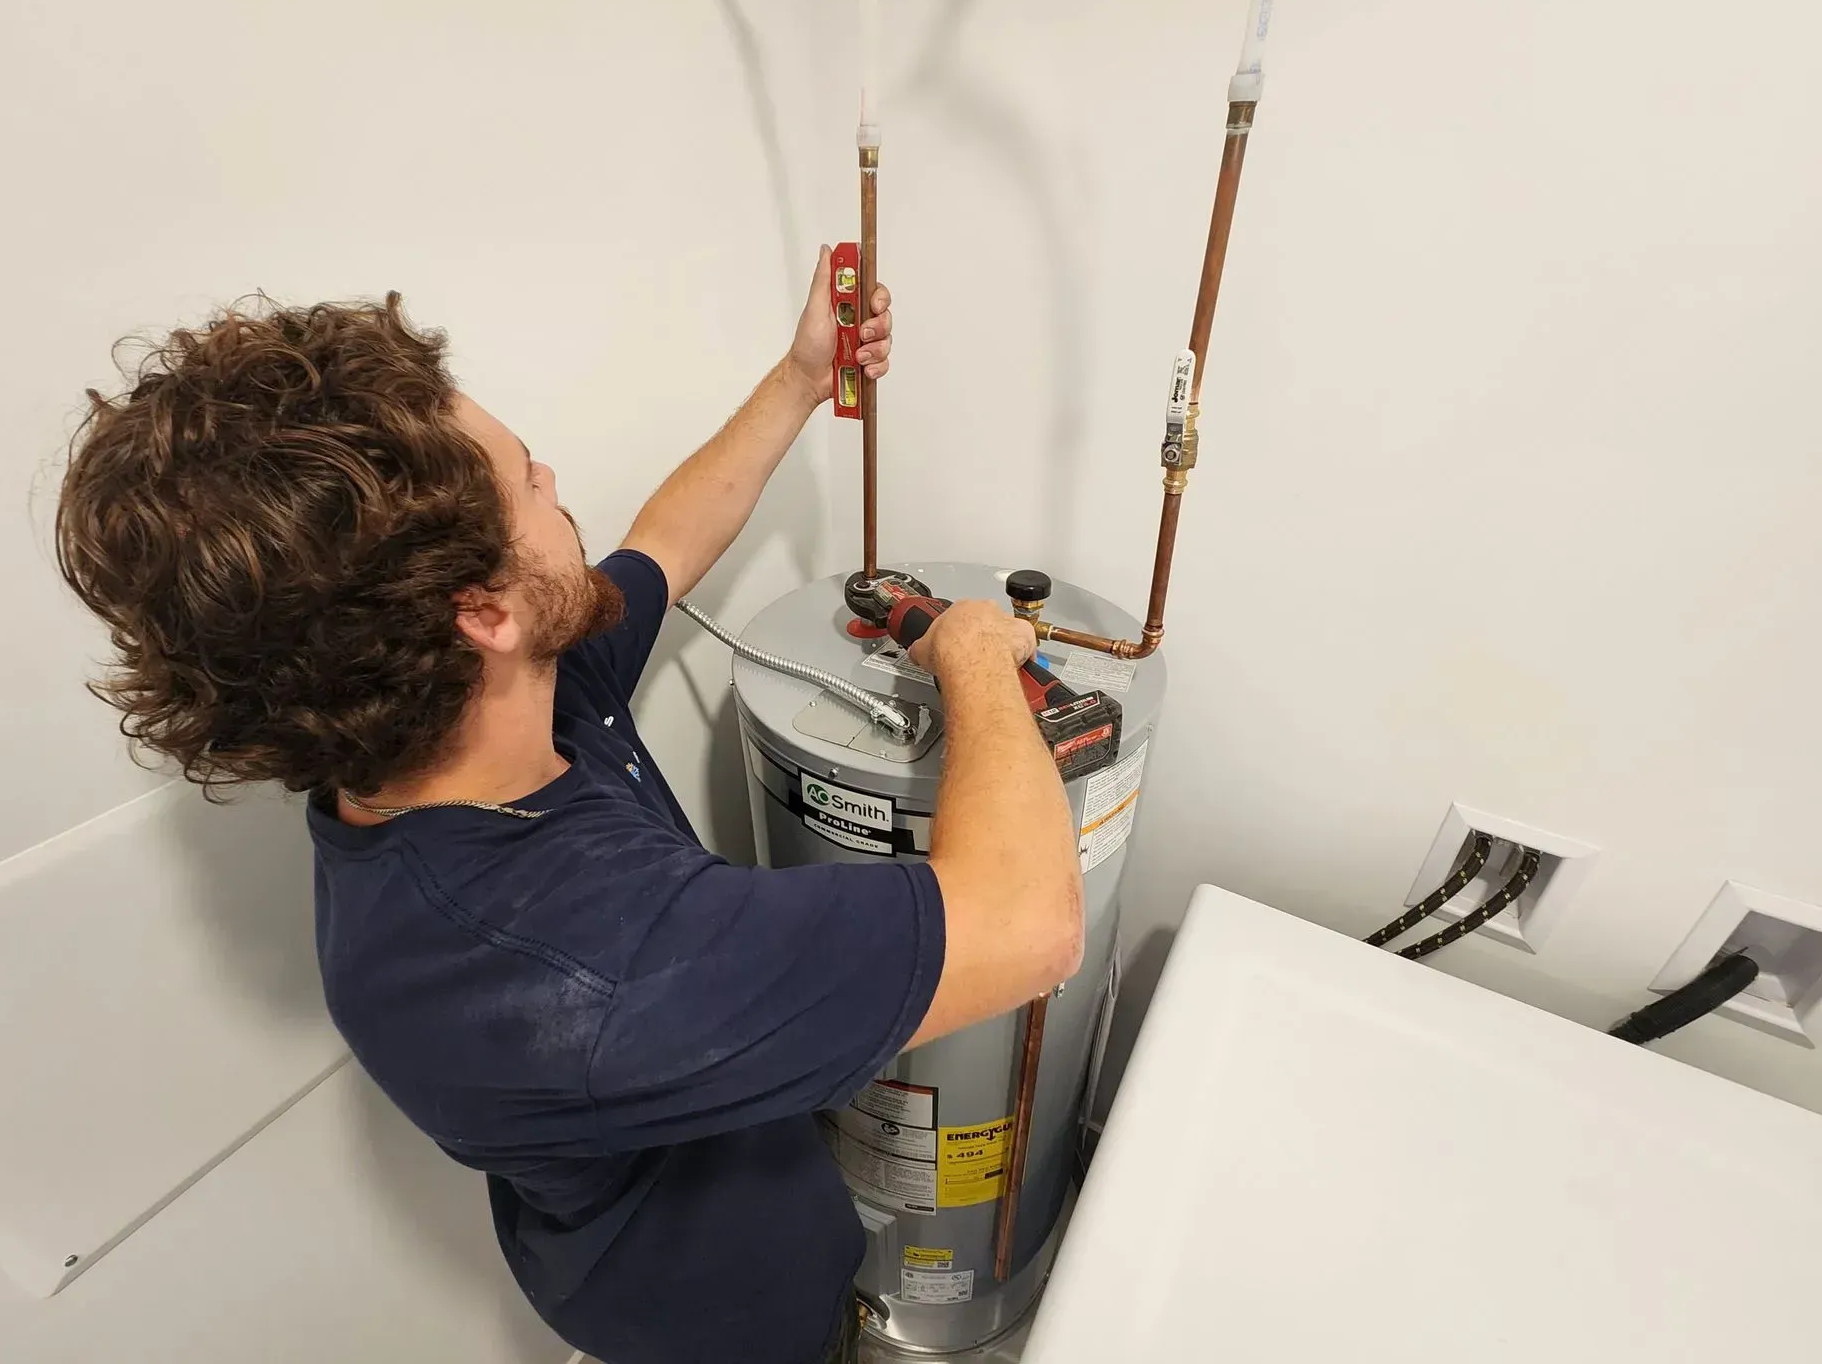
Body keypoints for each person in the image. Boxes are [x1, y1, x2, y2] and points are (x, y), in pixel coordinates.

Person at [55, 251, 1083, 1364]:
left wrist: (800, 376)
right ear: (482, 611)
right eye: (527, 480)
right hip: (729, 1330)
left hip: (708, 1224)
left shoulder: (459, 724)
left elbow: (665, 545)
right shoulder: (582, 966)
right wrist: (976, 658)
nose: (552, 476)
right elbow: (1031, 922)